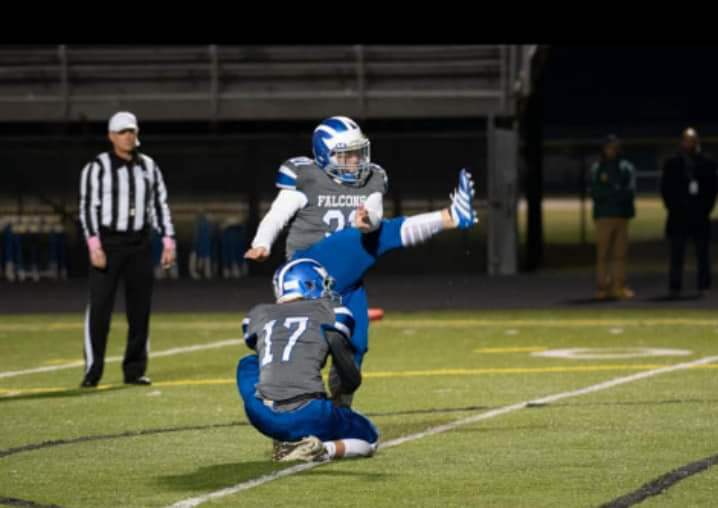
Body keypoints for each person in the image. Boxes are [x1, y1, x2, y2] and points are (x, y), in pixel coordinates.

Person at [237, 258, 378, 462]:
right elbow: (346, 371)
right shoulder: (332, 312)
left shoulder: (257, 315)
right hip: (311, 413)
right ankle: (320, 450)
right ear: (309, 284)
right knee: (370, 439)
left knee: (248, 363)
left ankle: (284, 435)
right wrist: (341, 398)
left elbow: (263, 350)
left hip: (261, 415)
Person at [78, 111, 176, 387]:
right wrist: (94, 244)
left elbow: (159, 206)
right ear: (111, 136)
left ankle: (134, 370)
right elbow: (87, 208)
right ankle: (92, 370)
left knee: (139, 309)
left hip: (139, 243)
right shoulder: (96, 168)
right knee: (99, 309)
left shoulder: (148, 166)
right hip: (108, 243)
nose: (128, 136)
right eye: (122, 132)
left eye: (131, 131)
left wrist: (168, 240)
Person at [660, 127, 718, 298]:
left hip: (699, 216)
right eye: (687, 140)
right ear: (681, 141)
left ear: (697, 141)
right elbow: (665, 189)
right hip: (678, 216)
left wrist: (705, 209)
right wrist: (674, 208)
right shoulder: (673, 163)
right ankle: (675, 287)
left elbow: (712, 189)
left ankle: (704, 286)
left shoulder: (707, 162)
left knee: (703, 254)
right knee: (676, 254)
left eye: (692, 140)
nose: (689, 143)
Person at [589, 134, 636, 300]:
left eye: (614, 147)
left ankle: (619, 286)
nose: (611, 150)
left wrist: (612, 193)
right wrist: (614, 192)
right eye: (608, 146)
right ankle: (602, 287)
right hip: (603, 216)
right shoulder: (598, 168)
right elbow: (595, 192)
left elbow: (629, 192)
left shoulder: (626, 167)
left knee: (620, 254)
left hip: (621, 216)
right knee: (603, 254)